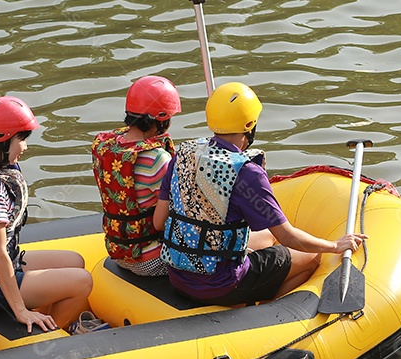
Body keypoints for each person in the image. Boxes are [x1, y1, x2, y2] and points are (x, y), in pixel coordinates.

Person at [153, 82, 367, 306]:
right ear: (249, 124)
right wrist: (334, 246)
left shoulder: (183, 155)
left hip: (178, 276)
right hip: (220, 284)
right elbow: (288, 237)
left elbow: (159, 223)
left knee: (266, 236)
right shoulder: (247, 173)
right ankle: (261, 310)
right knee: (312, 256)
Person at [0, 96, 93, 333]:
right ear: (2, 141)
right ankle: (52, 335)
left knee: (75, 261)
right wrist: (20, 310)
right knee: (83, 281)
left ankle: (47, 316)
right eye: (21, 138)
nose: (25, 146)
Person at [91, 75, 180, 276]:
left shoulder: (106, 145)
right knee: (255, 239)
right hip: (152, 259)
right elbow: (175, 211)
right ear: (162, 119)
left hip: (119, 253)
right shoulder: (156, 159)